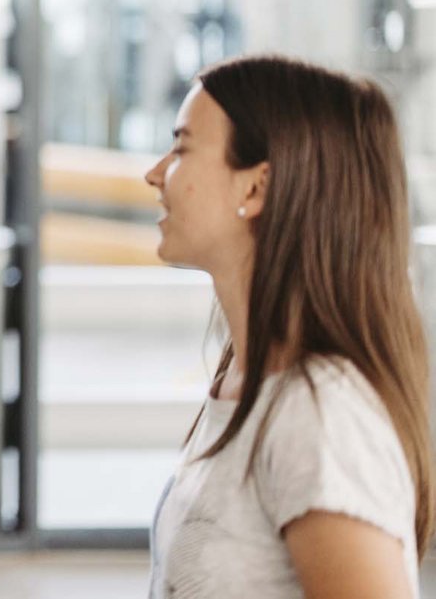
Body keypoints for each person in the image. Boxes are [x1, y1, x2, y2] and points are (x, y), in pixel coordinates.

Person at [146, 55, 433, 598]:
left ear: (255, 189)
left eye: (182, 147)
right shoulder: (244, 382)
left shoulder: (321, 415)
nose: (156, 173)